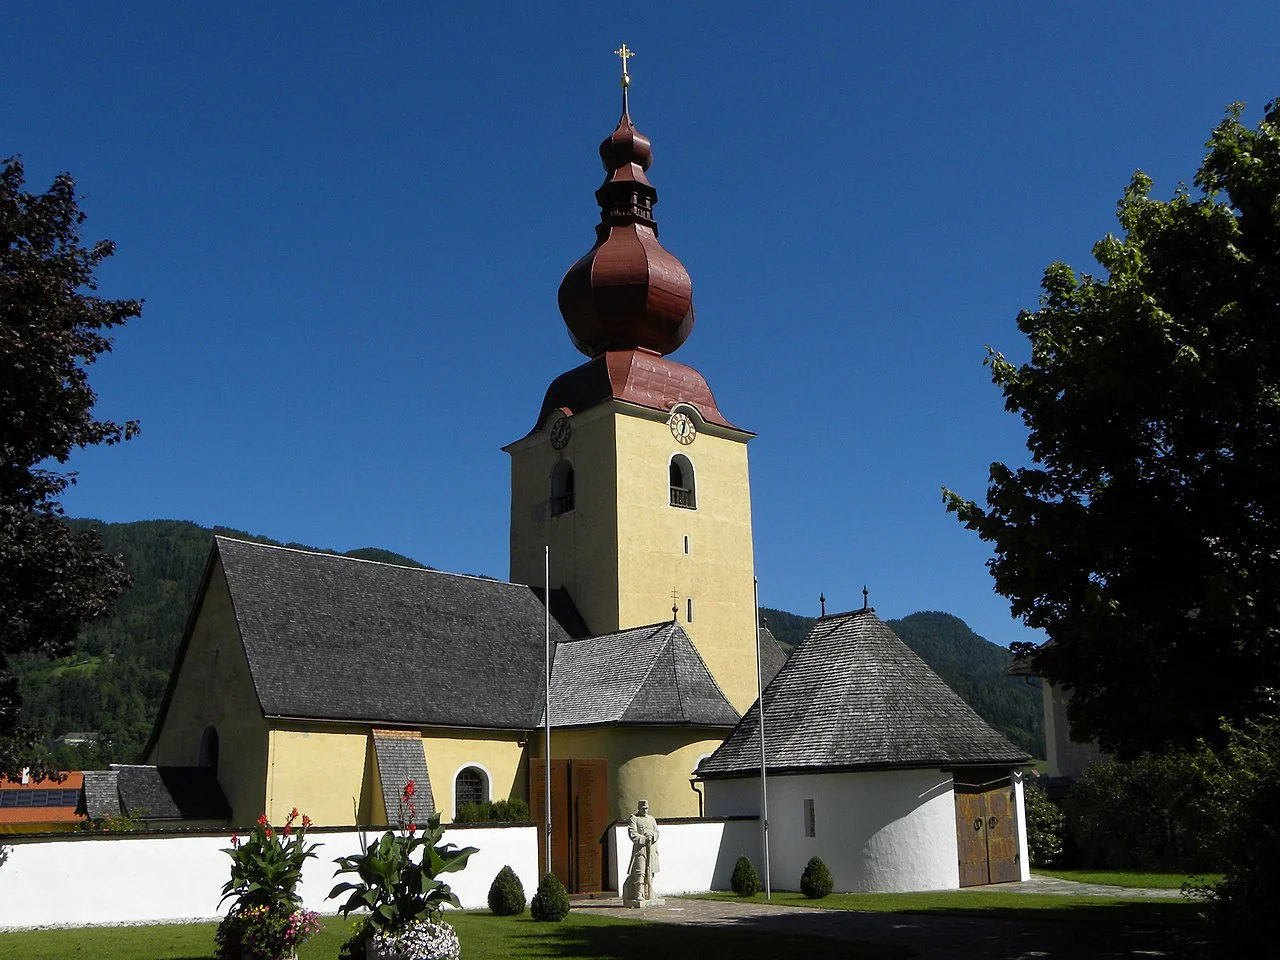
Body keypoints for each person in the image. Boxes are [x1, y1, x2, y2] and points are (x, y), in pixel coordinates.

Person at [625, 799, 660, 901]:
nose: (645, 811)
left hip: (652, 849)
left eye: (646, 809)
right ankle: (639, 893)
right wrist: (644, 839)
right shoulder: (634, 819)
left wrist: (652, 836)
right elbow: (632, 833)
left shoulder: (651, 819)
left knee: (650, 872)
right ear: (639, 808)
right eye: (643, 809)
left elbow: (657, 832)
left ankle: (648, 892)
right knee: (640, 872)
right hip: (640, 849)